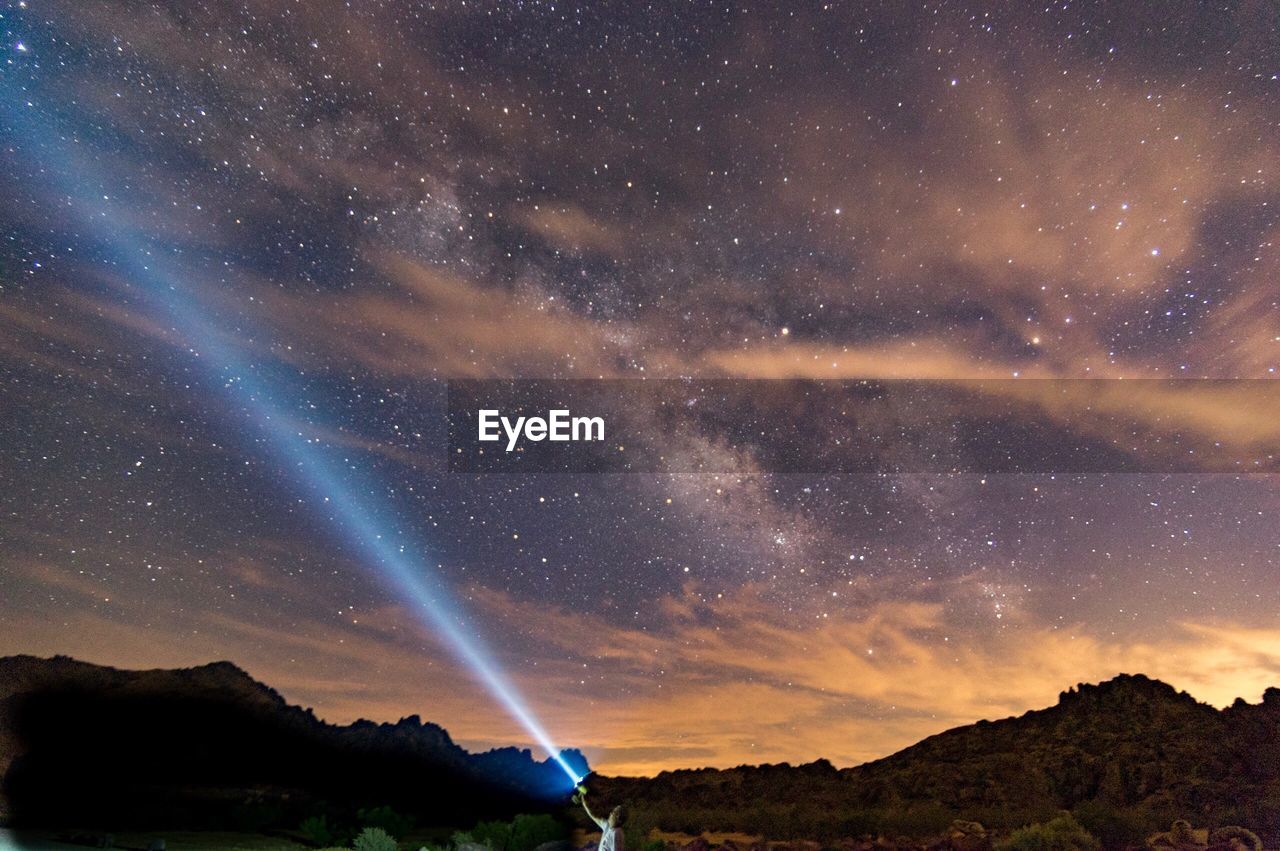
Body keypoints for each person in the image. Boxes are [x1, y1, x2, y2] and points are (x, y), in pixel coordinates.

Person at [574, 785, 626, 851]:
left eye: (614, 812)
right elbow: (593, 816)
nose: (610, 813)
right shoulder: (608, 827)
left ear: (618, 819)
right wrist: (584, 801)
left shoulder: (616, 833)